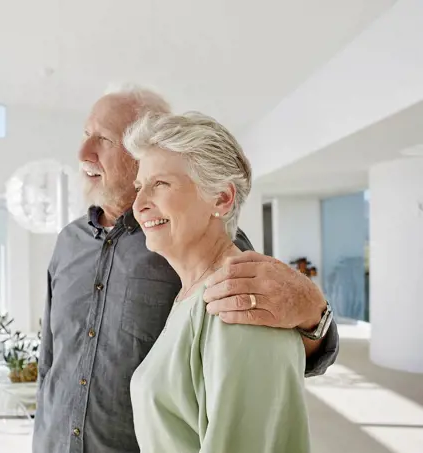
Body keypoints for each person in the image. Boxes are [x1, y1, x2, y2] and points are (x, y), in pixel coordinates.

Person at [33, 86, 337, 453]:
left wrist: (314, 314)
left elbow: (267, 334)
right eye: (85, 135)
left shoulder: (208, 249)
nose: (83, 152)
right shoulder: (69, 242)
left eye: (104, 139)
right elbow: (49, 361)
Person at [127, 110, 309, 452]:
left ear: (221, 199)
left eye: (160, 184)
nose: (138, 204)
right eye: (139, 187)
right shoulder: (193, 294)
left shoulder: (240, 303)